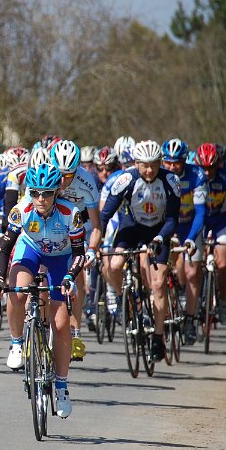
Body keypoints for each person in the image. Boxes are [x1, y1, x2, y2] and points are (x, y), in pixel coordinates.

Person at [0, 162, 85, 418]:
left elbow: (80, 253)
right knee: (17, 291)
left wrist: (69, 277)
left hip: (61, 257)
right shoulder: (21, 210)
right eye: (35, 193)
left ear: (56, 192)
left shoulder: (70, 213)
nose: (40, 199)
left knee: (61, 323)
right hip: (31, 250)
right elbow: (5, 248)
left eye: (46, 193)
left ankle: (62, 388)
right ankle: (16, 342)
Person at [100, 140, 181, 362]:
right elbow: (105, 215)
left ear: (160, 162)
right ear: (136, 163)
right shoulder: (125, 180)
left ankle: (158, 338)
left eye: (154, 165)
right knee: (114, 265)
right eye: (145, 165)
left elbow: (173, 218)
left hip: (159, 230)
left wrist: (160, 238)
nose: (149, 170)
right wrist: (94, 244)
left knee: (158, 284)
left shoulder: (170, 181)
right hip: (132, 227)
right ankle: (124, 299)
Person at [52, 139, 102, 361]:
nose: (63, 181)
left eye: (69, 175)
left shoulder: (87, 181)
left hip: (79, 224)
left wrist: (92, 249)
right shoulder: (46, 175)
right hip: (52, 222)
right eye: (60, 174)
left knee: (78, 277)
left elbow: (96, 225)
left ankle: (75, 333)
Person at [161, 138, 208, 345]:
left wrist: (191, 238)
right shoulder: (159, 175)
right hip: (168, 224)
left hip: (190, 225)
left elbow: (200, 212)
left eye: (177, 163)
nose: (172, 167)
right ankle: (176, 293)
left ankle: (190, 319)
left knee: (192, 272)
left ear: (184, 161)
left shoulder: (197, 175)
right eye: (168, 162)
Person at [195, 142, 226, 326]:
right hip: (199, 221)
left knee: (222, 263)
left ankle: (223, 300)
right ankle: (195, 299)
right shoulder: (193, 175)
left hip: (220, 221)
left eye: (211, 168)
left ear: (218, 164)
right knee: (194, 263)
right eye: (204, 168)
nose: (207, 172)